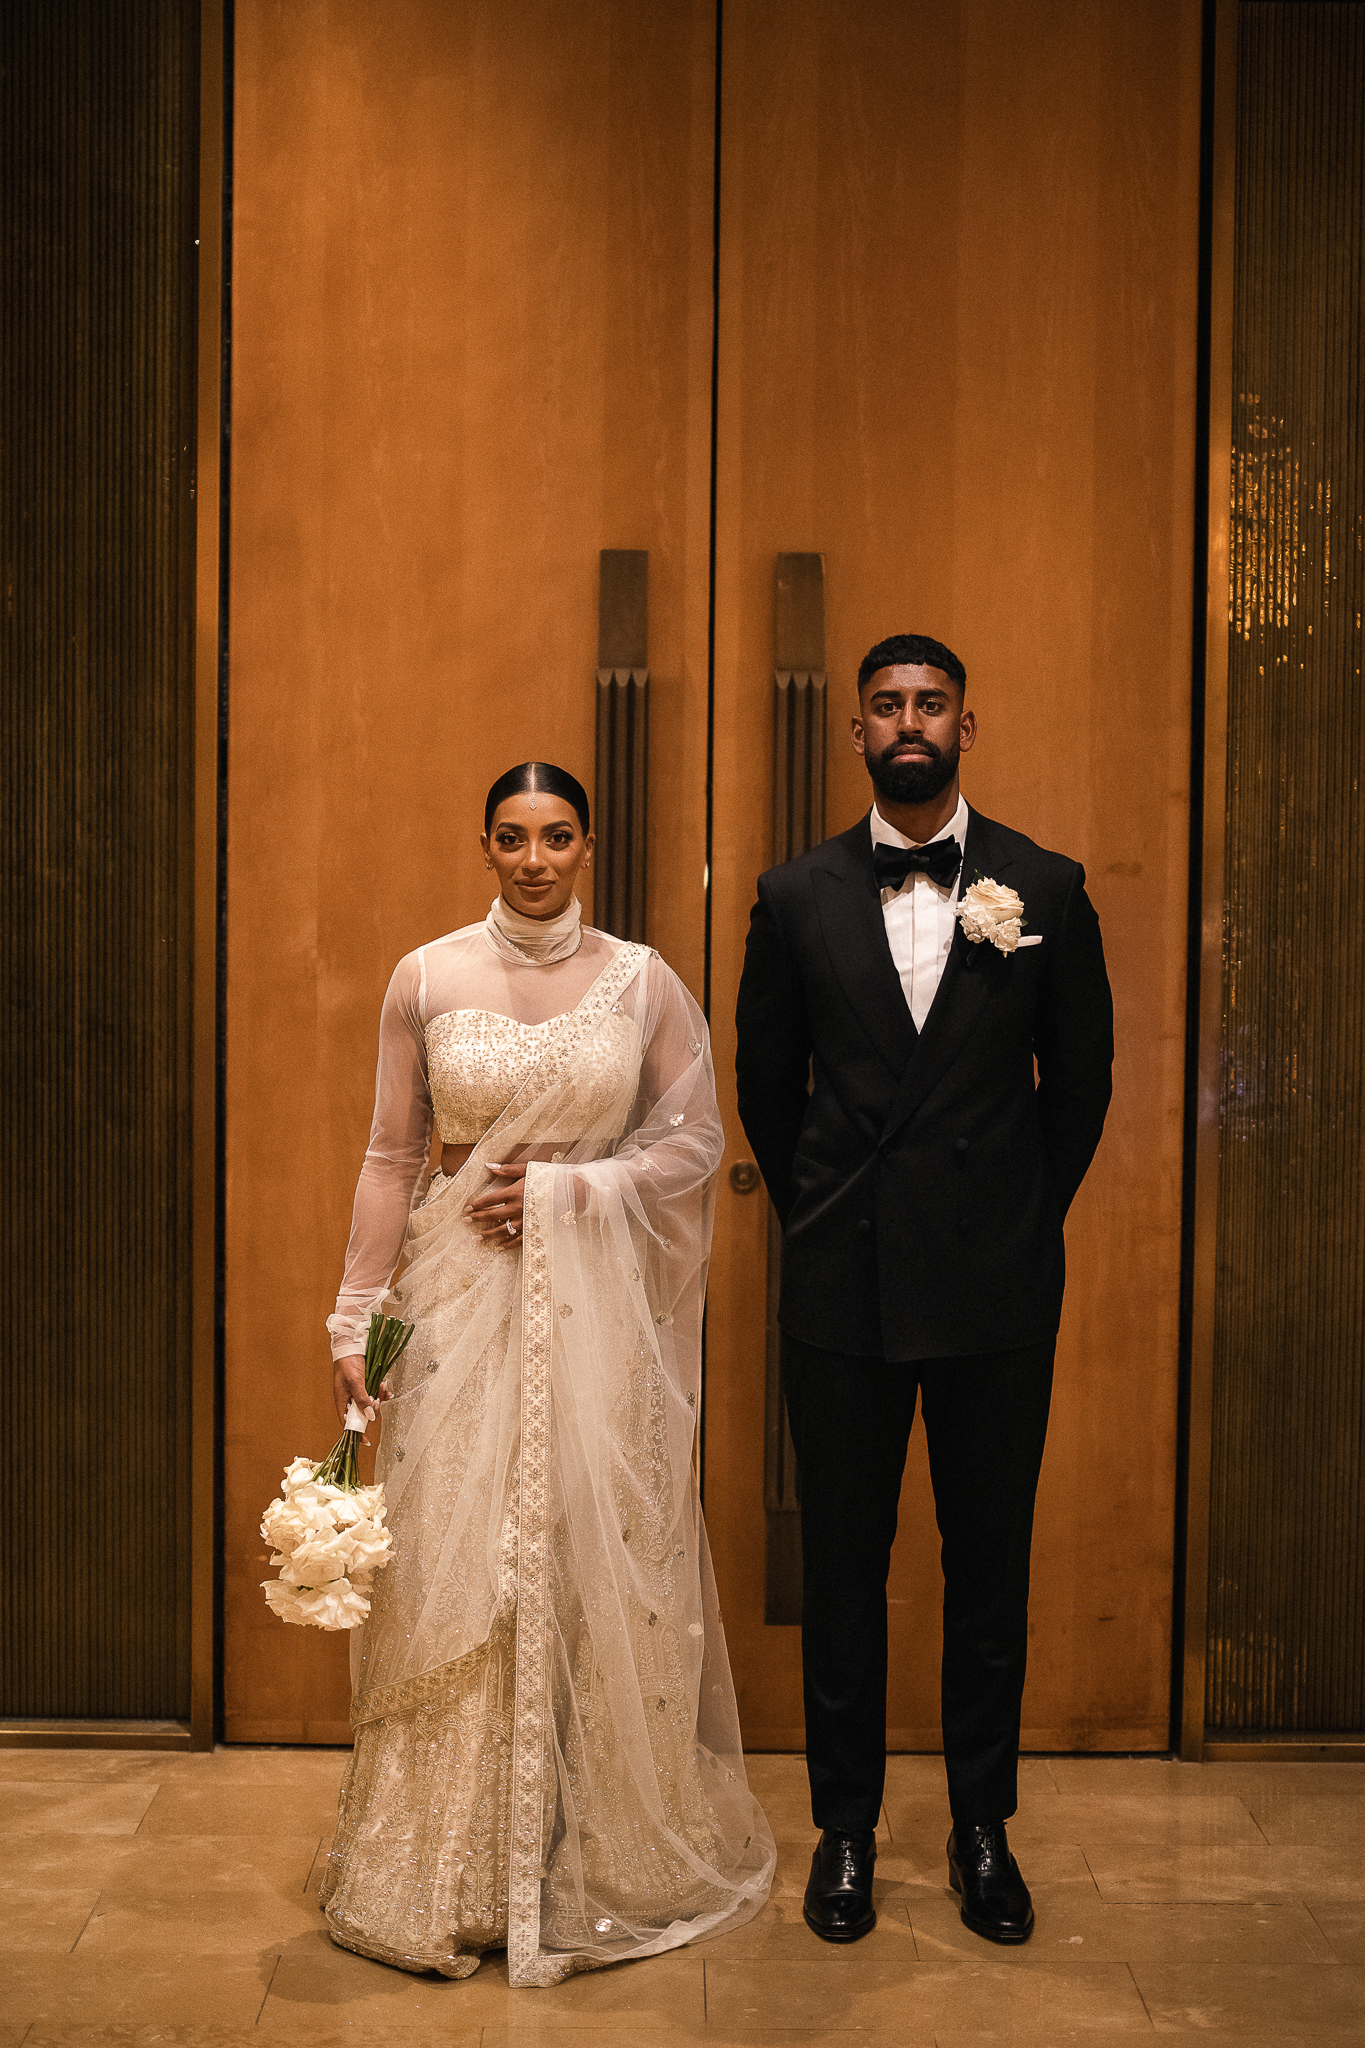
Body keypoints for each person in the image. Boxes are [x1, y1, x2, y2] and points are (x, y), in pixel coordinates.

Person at [321, 761, 774, 1987]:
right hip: (455, 1294)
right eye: (513, 837)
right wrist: (356, 1314)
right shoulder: (425, 975)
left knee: (585, 1552)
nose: (534, 859)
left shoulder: (642, 978)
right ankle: (443, 1876)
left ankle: (585, 1861)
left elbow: (695, 1138)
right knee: (458, 1559)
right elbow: (390, 1156)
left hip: (594, 1303)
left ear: (586, 846)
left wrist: (578, 1188)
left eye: (557, 836)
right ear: (485, 843)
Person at [735, 634, 1113, 1948]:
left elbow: (1081, 1085)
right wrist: (830, 1208)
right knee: (843, 1568)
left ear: (965, 726)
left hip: (995, 1285)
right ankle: (844, 1831)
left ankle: (980, 1829)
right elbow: (766, 1087)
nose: (910, 722)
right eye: (888, 705)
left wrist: (1012, 1213)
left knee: (987, 1565)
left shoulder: (1044, 884)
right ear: (857, 733)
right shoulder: (792, 896)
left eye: (931, 704)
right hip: (842, 1282)